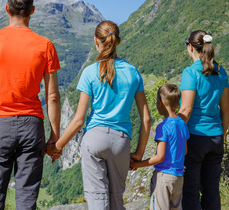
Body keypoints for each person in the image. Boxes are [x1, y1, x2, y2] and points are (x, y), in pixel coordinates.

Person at [0, 0, 61, 210]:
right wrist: (55, 136)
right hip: (32, 127)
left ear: (7, 9)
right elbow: (53, 96)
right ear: (32, 11)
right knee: (27, 198)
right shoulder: (45, 45)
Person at [47, 20, 151, 210]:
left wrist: (57, 147)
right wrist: (138, 153)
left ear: (96, 41)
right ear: (118, 41)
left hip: (94, 139)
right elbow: (146, 118)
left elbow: (78, 120)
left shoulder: (90, 72)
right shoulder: (133, 72)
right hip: (121, 141)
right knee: (117, 198)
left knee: (97, 200)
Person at [179, 30, 229, 210]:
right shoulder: (220, 71)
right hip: (216, 137)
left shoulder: (190, 73)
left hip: (195, 137)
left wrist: (177, 136)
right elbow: (226, 109)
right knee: (211, 192)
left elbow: (185, 110)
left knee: (190, 191)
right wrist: (222, 136)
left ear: (190, 47)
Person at [130, 83, 190, 210]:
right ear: (178, 104)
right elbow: (184, 151)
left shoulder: (163, 127)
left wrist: (136, 165)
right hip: (178, 177)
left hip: (163, 178)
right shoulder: (183, 124)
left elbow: (159, 157)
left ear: (159, 103)